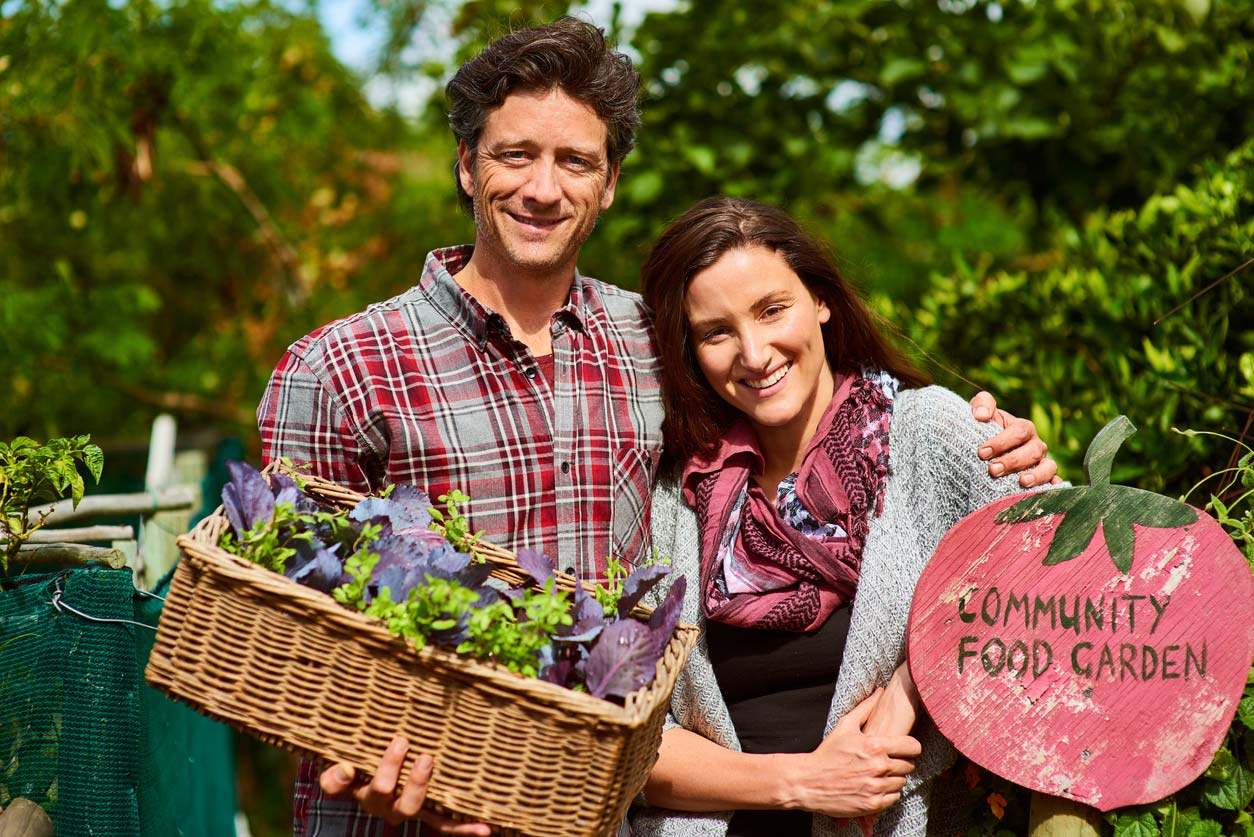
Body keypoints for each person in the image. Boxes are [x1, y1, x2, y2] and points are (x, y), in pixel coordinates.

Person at [255, 18, 1054, 836]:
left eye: (575, 161)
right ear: (466, 166)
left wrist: (993, 451)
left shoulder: (657, 345)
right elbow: (281, 634)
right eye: (514, 155)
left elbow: (834, 418)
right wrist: (387, 760)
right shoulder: (339, 371)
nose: (542, 188)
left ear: (607, 185)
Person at [630, 197, 1042, 837]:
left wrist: (907, 693)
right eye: (716, 332)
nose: (754, 351)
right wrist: (805, 783)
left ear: (820, 299)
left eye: (772, 311)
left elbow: (1053, 577)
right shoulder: (675, 495)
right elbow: (636, 741)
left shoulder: (926, 435)